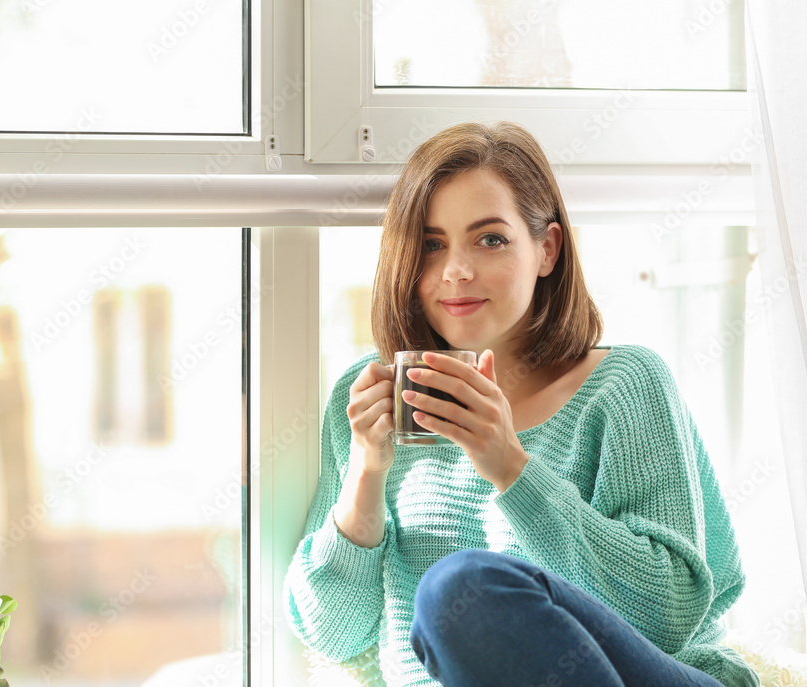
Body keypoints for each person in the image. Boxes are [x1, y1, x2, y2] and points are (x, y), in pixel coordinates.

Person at [283, 121, 759, 687]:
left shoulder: (624, 386)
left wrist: (511, 466)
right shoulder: (366, 403)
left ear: (547, 249)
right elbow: (334, 635)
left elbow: (669, 616)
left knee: (460, 590)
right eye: (432, 245)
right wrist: (366, 472)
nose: (456, 270)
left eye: (490, 239)